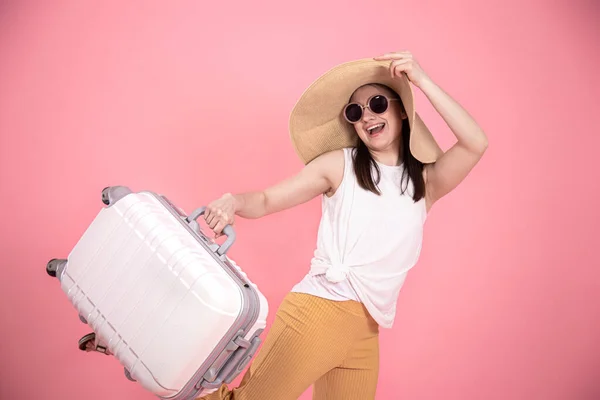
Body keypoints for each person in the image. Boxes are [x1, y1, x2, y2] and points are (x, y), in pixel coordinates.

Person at [82, 50, 488, 400]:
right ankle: (148, 350)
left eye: (378, 104)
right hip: (319, 311)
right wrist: (234, 202)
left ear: (401, 109)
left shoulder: (425, 184)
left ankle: (151, 355)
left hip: (367, 331)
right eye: (355, 112)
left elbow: (475, 142)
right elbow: (268, 198)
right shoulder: (340, 166)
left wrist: (421, 79)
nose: (367, 116)